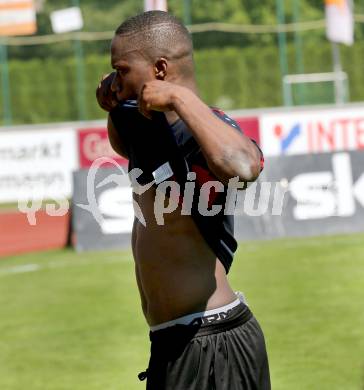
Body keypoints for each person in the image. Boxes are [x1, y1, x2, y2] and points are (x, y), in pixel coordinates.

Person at [96, 10, 270, 390]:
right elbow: (124, 145)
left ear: (160, 69)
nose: (115, 80)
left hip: (214, 342)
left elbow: (244, 165)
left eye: (121, 70)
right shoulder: (146, 124)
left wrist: (178, 96)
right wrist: (114, 107)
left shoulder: (205, 131)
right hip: (174, 343)